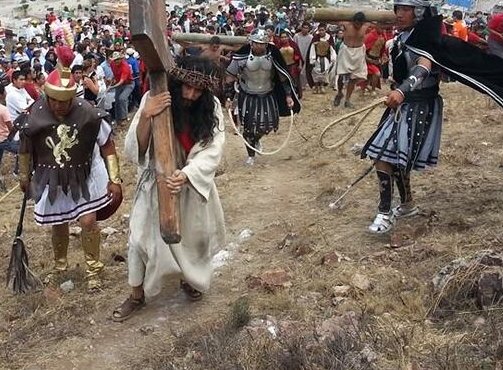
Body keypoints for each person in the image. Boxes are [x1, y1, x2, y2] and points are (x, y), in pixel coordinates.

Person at [360, 0, 503, 234]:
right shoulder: (404, 36)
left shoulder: (427, 40)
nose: (399, 13)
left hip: (418, 105)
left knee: (386, 156)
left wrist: (402, 90)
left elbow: (422, 68)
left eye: (405, 9)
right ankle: (407, 204)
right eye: (397, 8)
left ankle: (384, 212)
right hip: (401, 106)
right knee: (393, 156)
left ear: (418, 11)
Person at [113, 56, 226, 321]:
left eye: (198, 90)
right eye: (187, 86)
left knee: (195, 236)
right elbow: (135, 149)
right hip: (155, 183)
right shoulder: (154, 97)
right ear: (178, 81)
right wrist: (146, 115)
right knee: (139, 238)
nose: (190, 94)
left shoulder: (212, 107)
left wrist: (187, 175)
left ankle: (190, 279)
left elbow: (214, 147)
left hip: (190, 183)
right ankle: (136, 295)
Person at [16, 69, 122, 292]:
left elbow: (107, 145)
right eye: (53, 100)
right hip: (52, 177)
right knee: (58, 222)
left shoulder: (88, 113)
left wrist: (115, 178)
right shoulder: (36, 112)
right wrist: (24, 176)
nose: (58, 106)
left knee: (88, 222)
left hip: (86, 173)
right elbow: (25, 147)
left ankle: (94, 268)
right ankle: (60, 265)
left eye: (63, 101)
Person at [225, 28, 300, 166]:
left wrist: (288, 95)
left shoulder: (273, 55)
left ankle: (256, 139)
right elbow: (230, 76)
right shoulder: (241, 56)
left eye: (262, 43)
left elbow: (283, 76)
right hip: (247, 95)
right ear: (251, 43)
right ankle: (251, 155)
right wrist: (229, 97)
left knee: (269, 124)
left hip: (268, 95)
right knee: (248, 127)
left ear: (266, 44)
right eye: (256, 43)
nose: (259, 46)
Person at [332, 14, 369, 107]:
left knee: (354, 77)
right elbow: (332, 21)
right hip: (346, 50)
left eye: (360, 24)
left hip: (359, 51)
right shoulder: (346, 24)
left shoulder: (366, 25)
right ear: (353, 21)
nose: (358, 26)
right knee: (340, 75)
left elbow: (382, 26)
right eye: (356, 23)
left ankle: (347, 100)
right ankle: (340, 93)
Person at [306, 28, 336, 94]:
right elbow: (312, 49)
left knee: (324, 71)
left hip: (325, 58)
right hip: (317, 58)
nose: (321, 31)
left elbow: (331, 49)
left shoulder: (329, 38)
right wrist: (312, 59)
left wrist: (333, 58)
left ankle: (322, 86)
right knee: (316, 71)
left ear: (325, 30)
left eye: (323, 30)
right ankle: (316, 86)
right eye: (320, 30)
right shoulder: (315, 38)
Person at [109, 51, 134, 123]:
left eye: (117, 59)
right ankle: (118, 119)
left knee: (122, 98)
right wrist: (112, 80)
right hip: (118, 83)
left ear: (121, 59)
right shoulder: (112, 64)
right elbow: (115, 74)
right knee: (117, 100)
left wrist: (112, 87)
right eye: (115, 60)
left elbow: (121, 81)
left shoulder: (125, 66)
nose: (116, 61)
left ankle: (124, 118)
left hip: (128, 84)